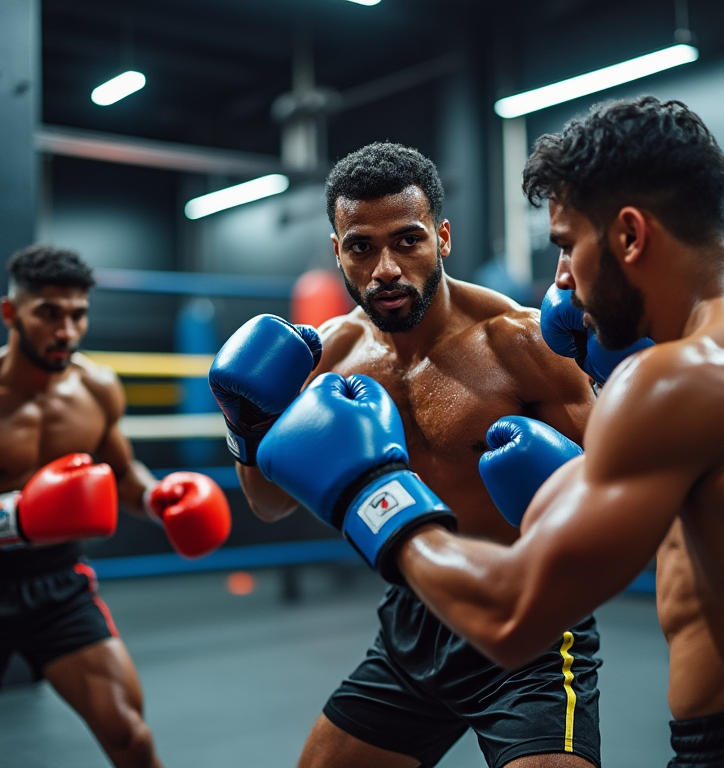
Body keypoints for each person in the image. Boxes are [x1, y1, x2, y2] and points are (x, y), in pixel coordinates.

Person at [254, 97, 724, 767]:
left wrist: (371, 490)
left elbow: (509, 615)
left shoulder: (670, 382)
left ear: (630, 236)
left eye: (566, 245)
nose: (561, 280)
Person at [209, 142, 607, 768]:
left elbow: (623, 484)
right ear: (338, 250)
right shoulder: (329, 358)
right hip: (414, 621)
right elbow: (267, 503)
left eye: (408, 241)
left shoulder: (521, 343)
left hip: (527, 621)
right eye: (362, 247)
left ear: (443, 238)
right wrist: (246, 423)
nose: (386, 268)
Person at [0, 245, 232, 768]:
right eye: (49, 314)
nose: (66, 331)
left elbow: (122, 473)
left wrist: (156, 498)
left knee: (130, 735)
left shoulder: (97, 387)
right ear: (11, 313)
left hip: (60, 588)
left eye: (77, 315)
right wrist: (22, 516)